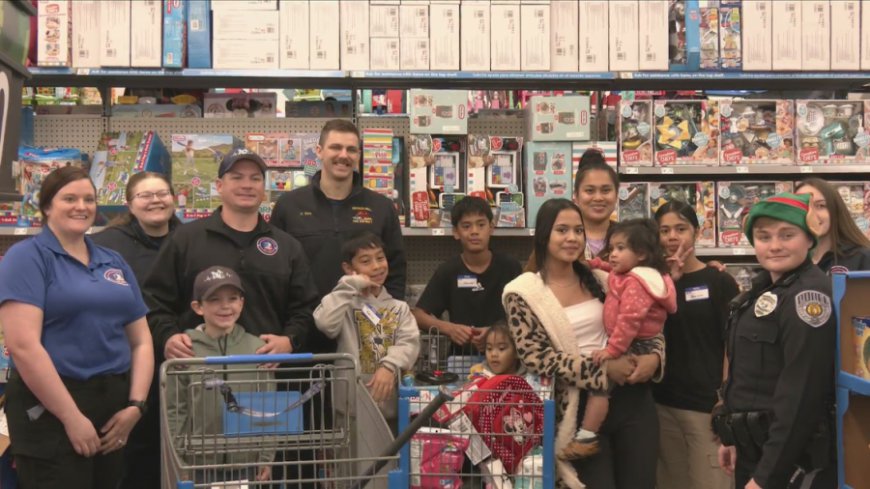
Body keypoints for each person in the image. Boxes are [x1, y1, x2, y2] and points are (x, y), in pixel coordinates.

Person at [0, 166, 154, 489]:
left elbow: (140, 340)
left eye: (89, 199)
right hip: (49, 409)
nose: (81, 207)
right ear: (46, 207)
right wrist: (70, 416)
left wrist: (135, 406)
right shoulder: (26, 258)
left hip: (113, 409)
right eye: (69, 198)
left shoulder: (113, 261)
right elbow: (24, 347)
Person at [503, 198, 665, 489]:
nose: (572, 238)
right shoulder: (523, 292)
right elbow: (536, 357)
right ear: (543, 235)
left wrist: (654, 357)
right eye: (562, 230)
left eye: (578, 230)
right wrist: (601, 371)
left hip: (633, 402)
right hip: (579, 411)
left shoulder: (606, 279)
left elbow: (647, 321)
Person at [144, 148, 318, 361]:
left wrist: (290, 340)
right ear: (219, 186)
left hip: (266, 380)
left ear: (264, 188)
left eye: (255, 178)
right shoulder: (185, 239)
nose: (247, 185)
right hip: (199, 374)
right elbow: (154, 301)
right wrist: (168, 337)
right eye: (236, 177)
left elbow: (305, 308)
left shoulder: (287, 247)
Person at [715, 193, 836, 489]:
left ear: (809, 239)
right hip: (754, 448)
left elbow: (801, 396)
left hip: (789, 463)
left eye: (787, 235)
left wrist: (766, 477)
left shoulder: (808, 297)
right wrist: (731, 437)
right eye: (763, 236)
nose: (775, 245)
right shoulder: (762, 289)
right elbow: (746, 376)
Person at [271, 119, 407, 353]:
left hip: (363, 335)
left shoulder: (381, 207)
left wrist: (382, 321)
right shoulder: (288, 206)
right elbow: (277, 274)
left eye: (351, 149)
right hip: (302, 336)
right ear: (319, 151)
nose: (343, 155)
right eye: (336, 147)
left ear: (359, 155)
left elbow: (395, 270)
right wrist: (289, 333)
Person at [90, 171, 180, 489]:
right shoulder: (104, 245)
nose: (155, 200)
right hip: (124, 365)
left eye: (162, 193)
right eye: (145, 195)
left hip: (180, 362)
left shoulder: (192, 239)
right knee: (130, 449)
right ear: (129, 204)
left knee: (176, 447)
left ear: (174, 198)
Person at [563, 219, 677, 459]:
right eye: (611, 248)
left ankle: (586, 435)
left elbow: (629, 321)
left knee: (600, 389)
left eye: (620, 249)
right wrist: (595, 263)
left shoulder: (637, 283)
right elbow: (611, 271)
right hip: (629, 343)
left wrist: (612, 351)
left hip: (633, 344)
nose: (613, 255)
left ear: (642, 254)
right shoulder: (629, 273)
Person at [653, 201, 739, 489]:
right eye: (664, 230)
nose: (672, 237)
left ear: (697, 232)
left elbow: (732, 344)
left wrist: (725, 398)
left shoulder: (719, 281)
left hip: (705, 409)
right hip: (661, 404)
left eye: (680, 228)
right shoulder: (651, 283)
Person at [165, 266, 273, 484]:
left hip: (246, 461)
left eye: (232, 298)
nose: (225, 306)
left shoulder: (257, 348)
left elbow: (268, 406)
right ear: (198, 307)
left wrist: (266, 457)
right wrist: (179, 458)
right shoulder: (185, 350)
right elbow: (176, 410)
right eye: (214, 299)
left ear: (241, 303)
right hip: (199, 462)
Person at [313, 232, 420, 424]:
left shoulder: (400, 308)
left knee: (391, 453)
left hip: (391, 410)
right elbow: (325, 323)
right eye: (366, 261)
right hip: (349, 409)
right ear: (348, 268)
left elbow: (410, 343)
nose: (377, 266)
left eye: (380, 258)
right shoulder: (344, 304)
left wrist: (389, 365)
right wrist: (350, 284)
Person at [412, 196, 522, 353]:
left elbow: (526, 316)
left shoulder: (510, 267)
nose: (474, 231)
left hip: (506, 359)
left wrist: (495, 332)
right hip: (460, 360)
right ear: (456, 232)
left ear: (491, 228)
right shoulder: (448, 271)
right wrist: (449, 328)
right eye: (466, 226)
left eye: (481, 225)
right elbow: (418, 315)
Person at [795, 177, 870, 274]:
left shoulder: (862, 258)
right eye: (804, 206)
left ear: (835, 211)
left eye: (820, 206)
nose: (811, 214)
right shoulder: (786, 259)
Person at [572, 149, 618, 259]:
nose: (598, 198)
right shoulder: (559, 238)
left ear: (616, 195)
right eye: (590, 191)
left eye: (606, 190)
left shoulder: (631, 238)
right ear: (576, 196)